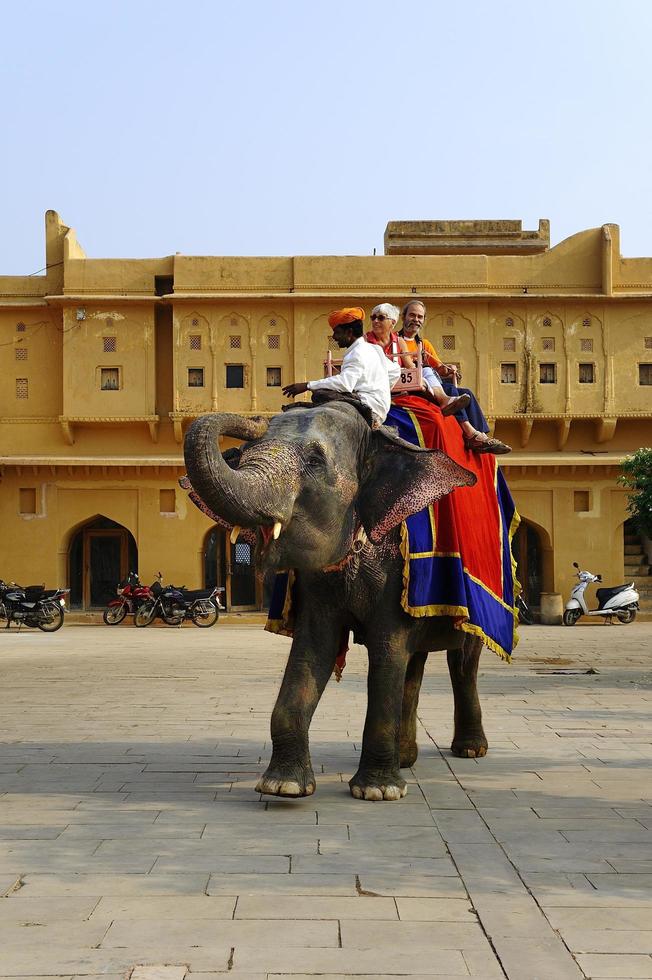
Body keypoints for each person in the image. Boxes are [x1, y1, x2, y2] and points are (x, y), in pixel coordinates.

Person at [400, 300, 511, 455]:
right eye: (412, 315)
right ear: (403, 316)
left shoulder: (423, 344)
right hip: (411, 385)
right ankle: (469, 432)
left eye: (420, 317)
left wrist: (449, 369)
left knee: (468, 393)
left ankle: (483, 435)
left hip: (430, 383)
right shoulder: (396, 341)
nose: (416, 320)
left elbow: (438, 368)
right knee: (452, 390)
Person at [282, 307, 400, 427]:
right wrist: (380, 389)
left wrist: (307, 385)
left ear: (349, 332)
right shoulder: (373, 348)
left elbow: (345, 384)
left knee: (319, 394)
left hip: (368, 407)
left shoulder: (357, 353)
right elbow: (395, 371)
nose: (334, 337)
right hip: (380, 407)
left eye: (337, 332)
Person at [365, 303, 470, 417]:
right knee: (449, 389)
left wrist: (447, 369)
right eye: (373, 318)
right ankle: (467, 429)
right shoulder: (366, 341)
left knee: (465, 393)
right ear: (402, 318)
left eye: (380, 318)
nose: (376, 321)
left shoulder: (411, 343)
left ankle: (475, 432)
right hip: (384, 388)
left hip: (412, 384)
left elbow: (429, 369)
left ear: (393, 322)